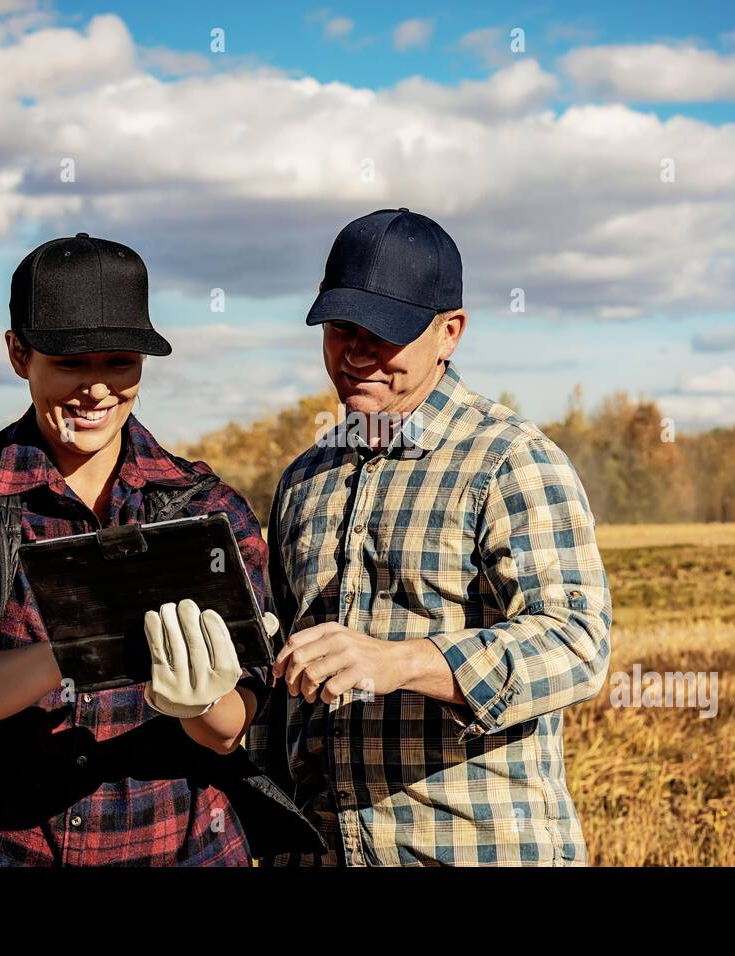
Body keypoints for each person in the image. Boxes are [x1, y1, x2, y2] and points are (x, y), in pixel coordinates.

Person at [0, 232, 315, 866]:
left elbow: (227, 730)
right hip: (2, 849)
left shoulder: (206, 508)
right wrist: (89, 642)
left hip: (182, 849)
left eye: (120, 363)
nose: (97, 391)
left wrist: (201, 701)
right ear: (18, 354)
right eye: (70, 364)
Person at [249, 208, 613, 866]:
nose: (356, 353)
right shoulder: (304, 479)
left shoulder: (510, 461)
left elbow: (577, 642)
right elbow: (280, 687)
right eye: (339, 328)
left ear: (450, 332)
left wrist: (403, 662)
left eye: (383, 333)